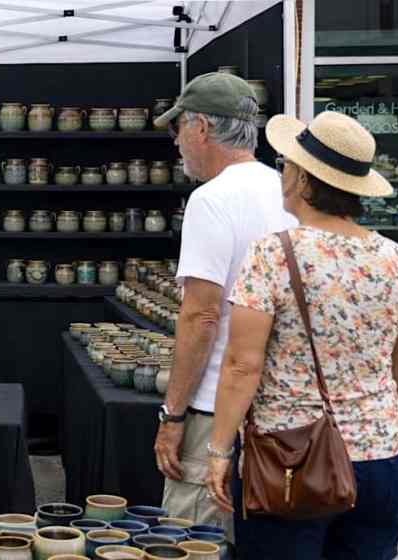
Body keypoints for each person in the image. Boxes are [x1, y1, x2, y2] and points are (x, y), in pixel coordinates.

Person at [205, 111, 398, 559]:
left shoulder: (273, 255)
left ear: (305, 181)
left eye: (287, 165)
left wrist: (218, 450)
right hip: (380, 459)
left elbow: (243, 365)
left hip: (289, 457)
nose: (282, 172)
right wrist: (386, 442)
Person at [150, 72, 297, 533]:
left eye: (179, 130)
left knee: (193, 536)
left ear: (202, 129)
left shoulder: (210, 200)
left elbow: (201, 316)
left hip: (217, 405)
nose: (177, 144)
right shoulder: (289, 193)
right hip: (285, 405)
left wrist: (172, 414)